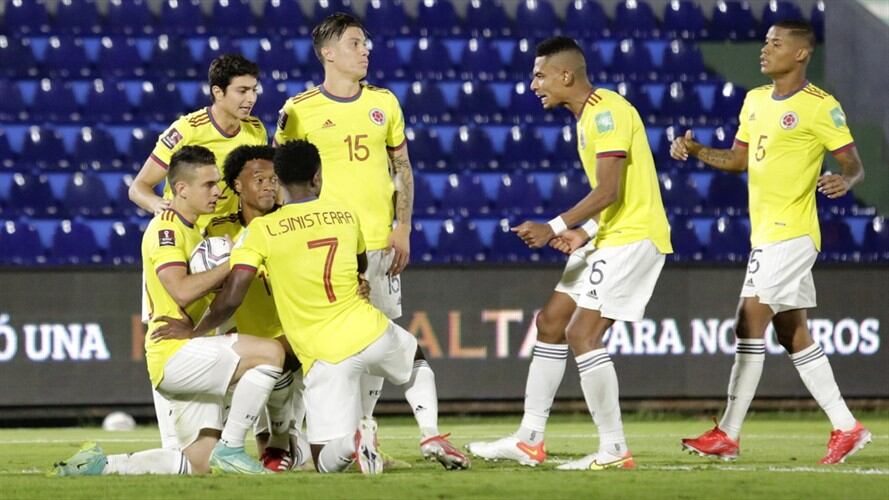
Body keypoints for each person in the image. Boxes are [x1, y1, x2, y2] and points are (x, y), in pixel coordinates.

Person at [152, 140, 466, 474]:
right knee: (414, 358)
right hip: (367, 328)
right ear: (317, 178)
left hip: (321, 353)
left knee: (325, 461)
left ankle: (352, 441)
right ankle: (430, 432)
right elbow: (360, 264)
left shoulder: (263, 230)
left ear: (280, 181)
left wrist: (196, 333)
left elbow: (232, 295)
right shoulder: (346, 216)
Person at [466, 36, 672, 470]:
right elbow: (621, 194)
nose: (533, 84)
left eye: (539, 75)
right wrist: (586, 232)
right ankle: (529, 438)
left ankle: (614, 449)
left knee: (583, 334)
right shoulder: (586, 118)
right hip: (611, 233)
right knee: (551, 321)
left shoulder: (606, 112)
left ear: (565, 75)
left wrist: (556, 227)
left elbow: (610, 189)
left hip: (634, 238)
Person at [671, 20, 870, 464]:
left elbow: (853, 162)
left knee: (748, 321)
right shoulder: (755, 100)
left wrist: (845, 179)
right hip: (765, 235)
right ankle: (847, 426)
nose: (765, 49)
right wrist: (699, 150)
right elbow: (739, 159)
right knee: (791, 331)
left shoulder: (820, 106)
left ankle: (728, 432)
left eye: (776, 43)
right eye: (764, 41)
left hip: (792, 234)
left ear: (801, 54)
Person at [273, 13, 466, 469]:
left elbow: (402, 168)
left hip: (379, 245)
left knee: (377, 341)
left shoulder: (385, 103)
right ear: (329, 53)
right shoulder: (297, 110)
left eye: (366, 43)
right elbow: (282, 177)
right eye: (356, 43)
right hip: (326, 248)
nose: (366, 51)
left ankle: (361, 433)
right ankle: (312, 438)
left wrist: (403, 226)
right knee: (330, 348)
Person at [53, 146, 286, 476]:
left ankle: (98, 466)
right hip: (173, 353)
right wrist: (234, 261)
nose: (218, 191)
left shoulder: (194, 229)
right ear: (181, 189)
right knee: (269, 353)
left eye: (218, 182)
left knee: (196, 464)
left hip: (186, 348)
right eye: (208, 184)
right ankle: (233, 447)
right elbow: (181, 289)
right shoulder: (166, 229)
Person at [127, 54, 269, 451]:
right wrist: (162, 210)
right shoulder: (185, 131)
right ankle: (174, 442)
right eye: (242, 91)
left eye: (254, 90)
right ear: (218, 92)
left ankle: (225, 439)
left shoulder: (256, 130)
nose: (250, 99)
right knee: (170, 333)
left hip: (226, 248)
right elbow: (139, 187)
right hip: (183, 245)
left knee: (221, 338)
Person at [207, 145, 310, 471]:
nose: (268, 185)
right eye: (259, 178)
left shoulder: (294, 223)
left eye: (273, 179)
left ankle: (282, 439)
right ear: (237, 184)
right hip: (243, 340)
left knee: (310, 448)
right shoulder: (216, 230)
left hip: (295, 340)